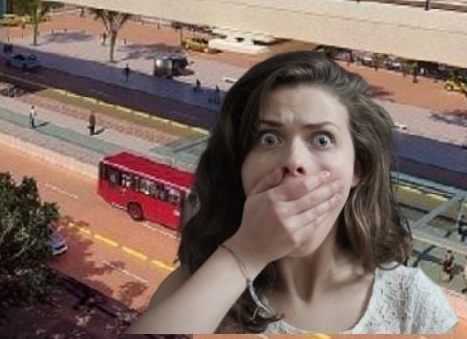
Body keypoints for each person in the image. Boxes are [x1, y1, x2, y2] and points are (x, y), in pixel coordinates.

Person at [127, 51, 458, 334]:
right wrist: (246, 254)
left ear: (357, 167)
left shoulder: (414, 304)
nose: (294, 162)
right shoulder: (193, 287)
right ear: (240, 164)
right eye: (269, 139)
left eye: (322, 140)